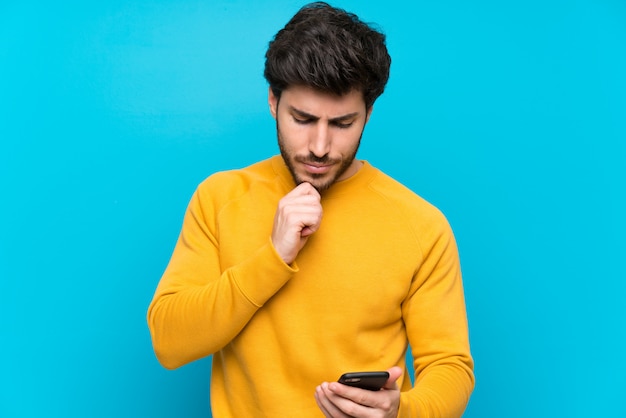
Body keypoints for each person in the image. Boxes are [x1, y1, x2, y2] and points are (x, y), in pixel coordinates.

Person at [147, 2, 474, 417]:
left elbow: (450, 366)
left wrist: (401, 412)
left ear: (369, 113)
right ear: (273, 102)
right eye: (302, 119)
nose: (320, 147)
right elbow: (169, 341)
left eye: (342, 124)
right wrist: (273, 258)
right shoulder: (220, 198)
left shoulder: (421, 225)